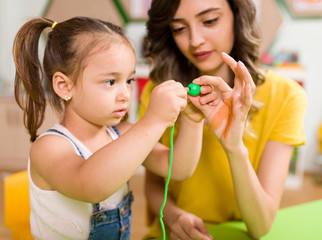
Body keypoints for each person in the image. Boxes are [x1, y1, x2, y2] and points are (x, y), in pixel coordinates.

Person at [13, 16, 218, 240]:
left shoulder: (123, 132)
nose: (126, 95)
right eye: (111, 82)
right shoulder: (49, 149)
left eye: (129, 81)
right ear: (64, 86)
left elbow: (178, 168)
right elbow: (91, 185)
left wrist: (193, 120)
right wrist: (153, 120)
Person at [138, 0, 308, 239]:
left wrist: (234, 147)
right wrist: (174, 217)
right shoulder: (160, 93)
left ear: (237, 17)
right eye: (179, 28)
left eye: (209, 21)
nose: (195, 40)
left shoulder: (286, 96)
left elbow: (261, 226)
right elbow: (155, 185)